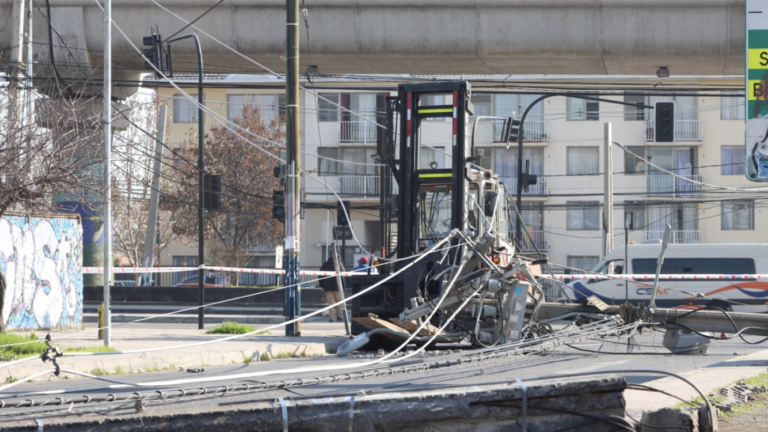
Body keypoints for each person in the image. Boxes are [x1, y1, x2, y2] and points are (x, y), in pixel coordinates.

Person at [319, 257, 344, 323]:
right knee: (339, 302)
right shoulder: (339, 264)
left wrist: (322, 285)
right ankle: (339, 317)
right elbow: (343, 276)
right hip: (338, 286)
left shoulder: (325, 264)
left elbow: (320, 275)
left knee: (331, 303)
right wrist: (344, 286)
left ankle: (331, 318)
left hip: (328, 287)